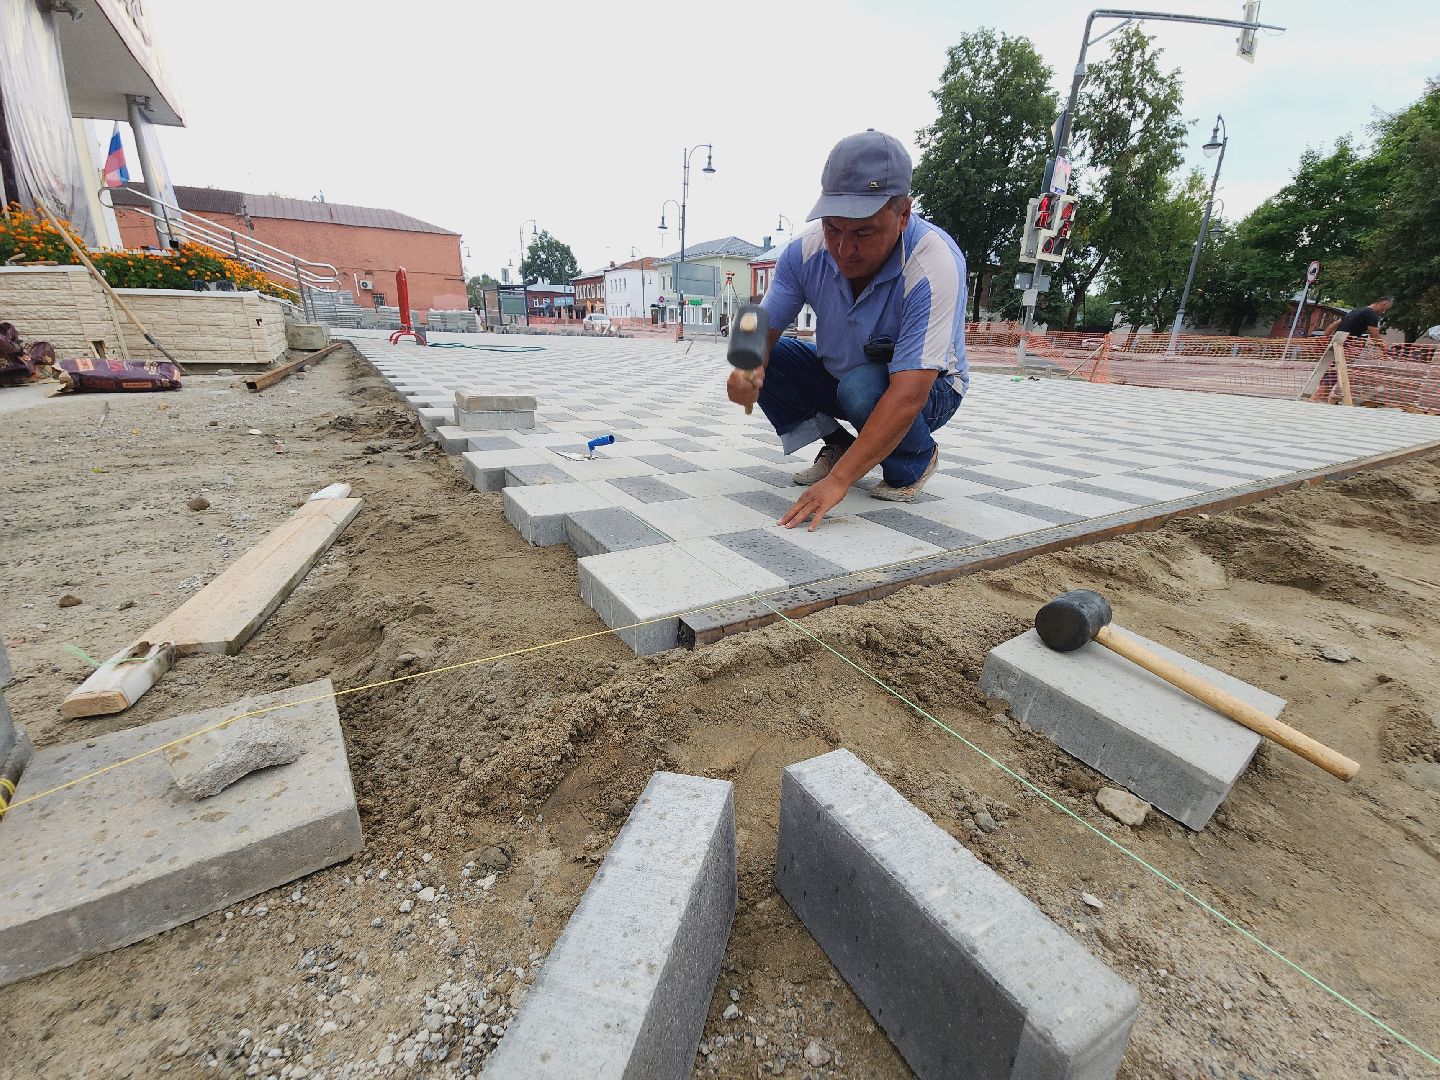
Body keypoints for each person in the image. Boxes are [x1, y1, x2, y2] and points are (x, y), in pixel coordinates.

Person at [727, 129, 968, 531]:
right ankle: (839, 445)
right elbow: (756, 319)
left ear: (903, 215)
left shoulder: (932, 265)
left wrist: (839, 484)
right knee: (778, 357)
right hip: (844, 378)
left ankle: (915, 457)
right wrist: (743, 365)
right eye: (834, 229)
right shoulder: (803, 251)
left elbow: (910, 392)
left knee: (862, 387)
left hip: (931, 390)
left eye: (864, 232)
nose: (844, 249)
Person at [1315, 296, 1393, 401]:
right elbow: (1374, 335)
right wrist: (1385, 349)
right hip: (1345, 345)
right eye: (1385, 309)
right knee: (1336, 370)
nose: (1383, 312)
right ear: (1383, 304)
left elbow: (1335, 323)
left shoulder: (1357, 311)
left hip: (1336, 342)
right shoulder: (1371, 314)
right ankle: (1319, 395)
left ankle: (1322, 395)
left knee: (1334, 369)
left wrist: (1324, 338)